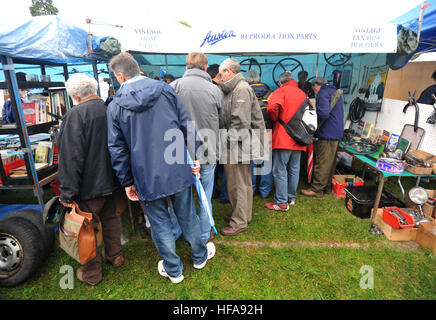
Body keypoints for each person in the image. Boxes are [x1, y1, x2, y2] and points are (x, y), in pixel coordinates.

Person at [106, 52, 215, 284]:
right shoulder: (164, 90)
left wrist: (127, 181)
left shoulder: (116, 105)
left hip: (146, 175)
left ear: (121, 76)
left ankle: (175, 269)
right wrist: (195, 154)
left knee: (159, 222)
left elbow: (117, 149)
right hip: (175, 165)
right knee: (187, 216)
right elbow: (187, 123)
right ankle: (196, 257)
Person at [57, 73, 123, 286]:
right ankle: (116, 255)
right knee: (110, 217)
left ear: (75, 95)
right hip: (111, 180)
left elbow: (71, 157)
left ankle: (91, 274)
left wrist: (67, 192)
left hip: (89, 184)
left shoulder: (76, 115)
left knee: (87, 228)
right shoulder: (108, 109)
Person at [170, 52, 225, 243]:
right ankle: (203, 234)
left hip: (179, 151)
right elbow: (223, 119)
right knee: (205, 194)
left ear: (186, 67)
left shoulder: (173, 87)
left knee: (180, 195)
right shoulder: (214, 89)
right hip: (207, 150)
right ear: (205, 67)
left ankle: (178, 232)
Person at [219, 58, 266, 236]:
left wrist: (224, 141)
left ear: (229, 72)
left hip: (238, 144)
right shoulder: (238, 88)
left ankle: (239, 222)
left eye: (222, 73)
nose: (220, 77)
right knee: (243, 182)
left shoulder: (241, 89)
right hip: (240, 143)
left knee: (237, 184)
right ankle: (243, 215)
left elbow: (240, 123)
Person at [265, 71, 307, 211]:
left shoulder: (280, 91)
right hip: (300, 137)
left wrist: (275, 118)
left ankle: (281, 202)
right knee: (294, 169)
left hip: (284, 136)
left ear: (281, 82)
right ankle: (291, 197)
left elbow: (271, 107)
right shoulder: (302, 93)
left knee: (280, 169)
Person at [301, 77, 344, 198]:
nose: (314, 90)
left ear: (316, 85)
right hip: (336, 132)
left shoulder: (322, 93)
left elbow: (324, 113)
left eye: (313, 88)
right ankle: (327, 187)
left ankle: (317, 189)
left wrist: (315, 124)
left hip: (327, 132)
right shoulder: (334, 91)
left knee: (322, 162)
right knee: (330, 163)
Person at [245, 70, 273, 198]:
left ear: (247, 79)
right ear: (259, 79)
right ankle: (265, 191)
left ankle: (251, 189)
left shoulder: (244, 92)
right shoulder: (270, 92)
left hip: (250, 131)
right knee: (265, 162)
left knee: (251, 163)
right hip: (267, 130)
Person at [207, 64, 229, 203]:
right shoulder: (218, 91)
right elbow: (224, 114)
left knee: (212, 166)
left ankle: (214, 191)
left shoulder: (203, 89)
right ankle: (225, 195)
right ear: (217, 76)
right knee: (226, 166)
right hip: (220, 132)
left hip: (206, 133)